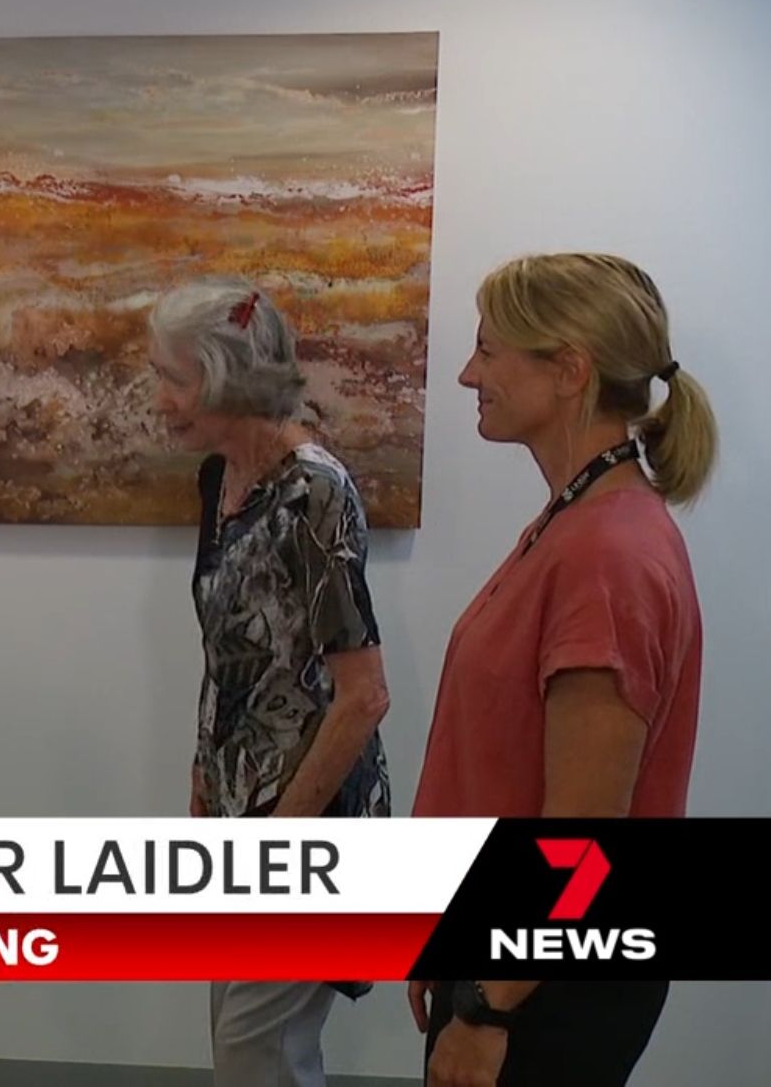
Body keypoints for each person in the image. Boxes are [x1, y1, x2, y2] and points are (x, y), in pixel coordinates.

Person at [409, 253, 716, 1087]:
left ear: (570, 369)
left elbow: (581, 833)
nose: (469, 374)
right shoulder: (578, 518)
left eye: (489, 350)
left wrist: (488, 1008)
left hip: (545, 984)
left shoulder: (607, 552)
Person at [148, 276, 393, 1086]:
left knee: (258, 1055)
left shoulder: (313, 491)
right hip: (238, 814)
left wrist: (278, 842)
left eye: (174, 378)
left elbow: (364, 694)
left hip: (304, 828)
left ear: (227, 379)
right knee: (248, 1051)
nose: (160, 399)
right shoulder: (221, 480)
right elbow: (232, 653)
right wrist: (204, 771)